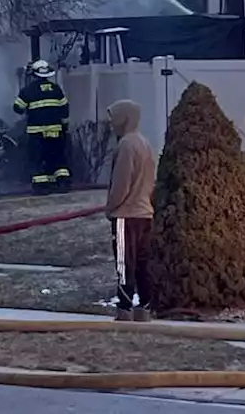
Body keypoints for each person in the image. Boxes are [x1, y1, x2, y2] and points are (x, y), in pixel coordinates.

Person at [105, 99, 157, 322]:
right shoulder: (144, 143)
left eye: (113, 118)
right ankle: (144, 309)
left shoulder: (126, 145)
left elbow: (121, 184)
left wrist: (111, 208)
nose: (111, 124)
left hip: (126, 215)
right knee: (142, 264)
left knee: (124, 264)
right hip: (145, 214)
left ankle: (124, 310)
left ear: (124, 118)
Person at [12, 60, 71, 193]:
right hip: (56, 131)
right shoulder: (56, 89)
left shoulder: (28, 91)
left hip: (36, 133)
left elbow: (17, 108)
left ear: (33, 74)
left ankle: (41, 186)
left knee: (38, 158)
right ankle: (62, 182)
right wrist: (64, 126)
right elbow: (65, 109)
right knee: (57, 156)